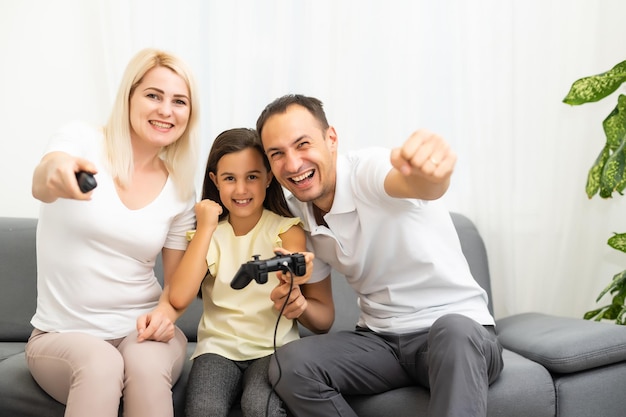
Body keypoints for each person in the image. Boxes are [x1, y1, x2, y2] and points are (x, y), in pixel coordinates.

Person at [256, 94, 504, 417]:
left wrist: (434, 173)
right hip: (380, 341)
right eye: (277, 154)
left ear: (331, 139)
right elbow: (323, 319)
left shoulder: (366, 171)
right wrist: (299, 305)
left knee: (454, 331)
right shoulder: (296, 213)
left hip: (457, 335)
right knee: (287, 364)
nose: (292, 164)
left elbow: (421, 185)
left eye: (302, 144)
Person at [26, 48, 200, 417]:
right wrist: (57, 173)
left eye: (179, 101)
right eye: (154, 95)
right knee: (102, 364)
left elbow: (175, 285)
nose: (166, 110)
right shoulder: (81, 140)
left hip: (140, 331)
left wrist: (166, 314)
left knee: (146, 366)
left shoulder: (181, 189)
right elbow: (44, 181)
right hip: (61, 336)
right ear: (130, 96)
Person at [168, 128, 334, 417]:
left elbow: (295, 268)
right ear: (214, 181)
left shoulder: (285, 228)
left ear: (269, 178)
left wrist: (293, 285)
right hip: (217, 350)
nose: (241, 189)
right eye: (230, 178)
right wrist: (206, 228)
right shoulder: (207, 236)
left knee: (260, 407)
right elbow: (179, 296)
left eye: (252, 177)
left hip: (274, 349)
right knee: (204, 409)